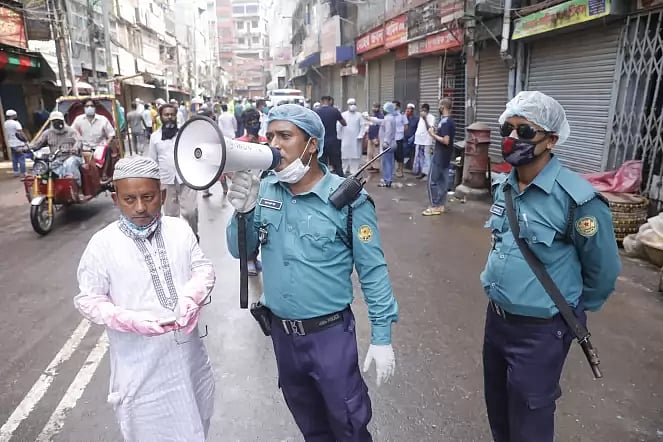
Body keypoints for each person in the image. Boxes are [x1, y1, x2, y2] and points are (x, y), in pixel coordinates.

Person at [225, 104, 398, 441]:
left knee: (348, 424)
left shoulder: (349, 201)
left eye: (285, 136)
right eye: (271, 135)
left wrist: (382, 336)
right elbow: (239, 250)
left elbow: (373, 271)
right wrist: (242, 212)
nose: (275, 144)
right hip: (283, 336)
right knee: (310, 425)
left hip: (329, 337)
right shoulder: (267, 191)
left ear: (312, 145)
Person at [481, 91, 621, 442]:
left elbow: (602, 272)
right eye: (507, 129)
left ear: (551, 140)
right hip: (496, 322)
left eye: (525, 132)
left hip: (541, 332)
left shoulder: (577, 199)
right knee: (498, 411)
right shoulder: (504, 186)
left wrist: (567, 310)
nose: (512, 140)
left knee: (530, 422)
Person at [74, 156, 215, 441]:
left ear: (162, 195)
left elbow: (202, 268)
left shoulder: (179, 229)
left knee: (196, 423)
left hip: (189, 362)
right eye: (129, 199)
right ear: (115, 199)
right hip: (138, 370)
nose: (139, 207)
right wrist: (126, 319)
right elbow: (89, 299)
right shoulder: (102, 245)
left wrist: (193, 295)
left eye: (148, 197)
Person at [148, 104, 199, 239]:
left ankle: (194, 236)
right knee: (171, 216)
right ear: (161, 117)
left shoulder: (184, 134)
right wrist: (155, 183)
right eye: (166, 115)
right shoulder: (155, 137)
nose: (170, 117)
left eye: (172, 114)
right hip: (166, 181)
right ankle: (177, 242)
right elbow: (153, 161)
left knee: (190, 212)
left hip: (186, 178)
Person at [30, 111, 84, 192]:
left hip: (72, 156)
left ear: (63, 120)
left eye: (59, 120)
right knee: (47, 168)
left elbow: (79, 141)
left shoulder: (71, 131)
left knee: (70, 163)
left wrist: (75, 148)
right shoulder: (47, 133)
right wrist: (26, 148)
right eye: (54, 121)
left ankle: (76, 186)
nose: (57, 123)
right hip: (56, 158)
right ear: (51, 122)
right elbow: (37, 144)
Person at [425, 98, 455, 215]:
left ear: (443, 107)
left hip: (440, 155)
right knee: (443, 182)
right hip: (446, 156)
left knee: (432, 181)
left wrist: (433, 135)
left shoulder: (446, 122)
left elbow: (446, 140)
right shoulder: (448, 121)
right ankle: (441, 205)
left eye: (439, 105)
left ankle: (435, 205)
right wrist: (436, 132)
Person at [315, 95, 346, 177]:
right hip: (333, 142)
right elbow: (344, 123)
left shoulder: (316, 112)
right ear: (330, 101)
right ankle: (341, 182)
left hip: (321, 142)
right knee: (337, 164)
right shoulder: (335, 111)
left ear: (321, 101)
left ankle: (323, 181)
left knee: (322, 165)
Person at [339, 98, 364, 175]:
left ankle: (354, 171)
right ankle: (343, 170)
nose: (352, 106)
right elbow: (338, 126)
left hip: (356, 139)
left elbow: (363, 126)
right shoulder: (343, 115)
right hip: (345, 138)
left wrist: (360, 135)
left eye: (354, 104)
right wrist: (339, 136)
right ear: (347, 105)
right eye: (351, 104)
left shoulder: (359, 115)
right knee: (344, 155)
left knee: (355, 155)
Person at [413, 103, 435, 179]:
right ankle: (421, 171)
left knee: (426, 157)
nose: (423, 112)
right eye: (422, 110)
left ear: (428, 111)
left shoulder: (431, 117)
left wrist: (425, 119)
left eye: (425, 110)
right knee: (419, 156)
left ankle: (427, 173)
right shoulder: (420, 117)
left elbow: (429, 129)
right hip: (419, 139)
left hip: (426, 140)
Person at [4, 109, 27, 177]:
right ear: (13, 116)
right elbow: (20, 132)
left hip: (11, 143)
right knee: (21, 157)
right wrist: (25, 139)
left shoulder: (5, 123)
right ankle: (23, 172)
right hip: (18, 143)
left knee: (14, 158)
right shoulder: (16, 123)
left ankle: (15, 171)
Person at [392, 101, 409, 178]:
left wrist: (401, 132)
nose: (392, 106)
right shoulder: (391, 114)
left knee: (400, 155)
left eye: (394, 105)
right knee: (393, 154)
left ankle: (401, 171)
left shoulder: (402, 115)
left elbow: (406, 126)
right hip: (392, 137)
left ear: (398, 106)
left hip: (399, 137)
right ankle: (395, 170)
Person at [366, 103, 383, 173]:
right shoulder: (372, 115)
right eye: (373, 107)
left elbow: (379, 126)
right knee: (369, 153)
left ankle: (376, 167)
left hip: (376, 137)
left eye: (376, 107)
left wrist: (377, 138)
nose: (374, 109)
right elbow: (370, 125)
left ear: (379, 108)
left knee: (376, 153)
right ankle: (370, 166)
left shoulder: (380, 116)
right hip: (370, 136)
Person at [404, 103, 419, 170]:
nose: (409, 110)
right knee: (404, 152)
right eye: (408, 108)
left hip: (412, 138)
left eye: (410, 109)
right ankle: (404, 165)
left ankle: (411, 166)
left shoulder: (416, 119)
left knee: (412, 153)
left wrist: (413, 137)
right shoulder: (404, 117)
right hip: (404, 138)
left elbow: (417, 129)